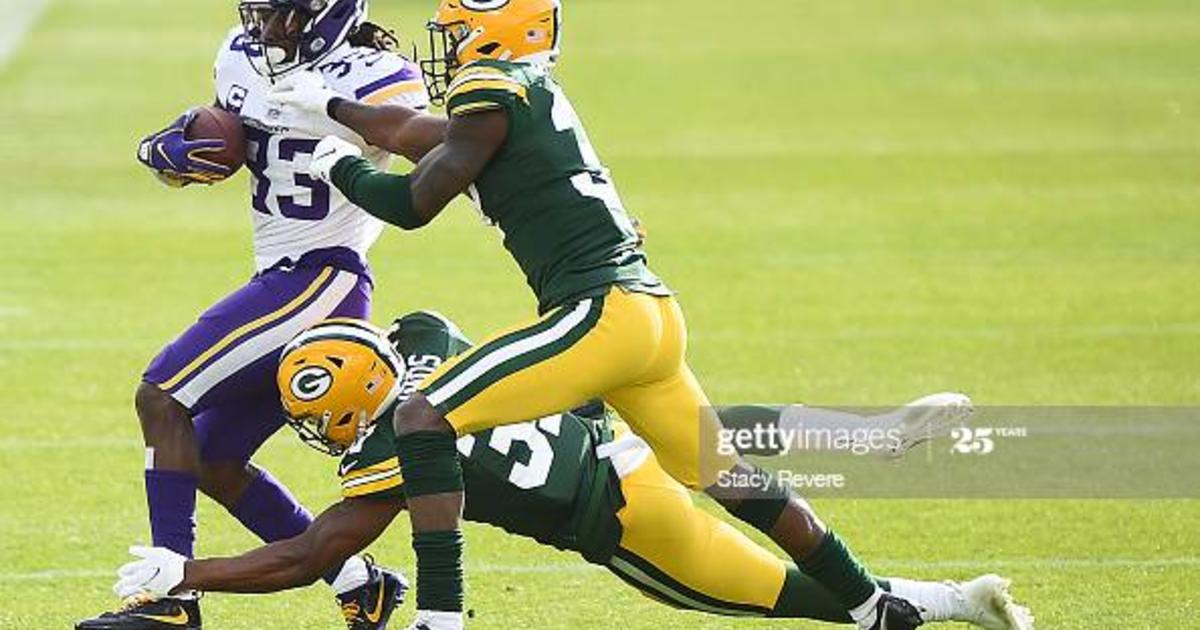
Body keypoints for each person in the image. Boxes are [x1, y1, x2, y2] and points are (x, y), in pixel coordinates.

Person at [265, 0, 962, 627]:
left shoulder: (492, 86)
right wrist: (330, 107)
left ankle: (440, 620)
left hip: (598, 312)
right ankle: (873, 605)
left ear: (497, 29)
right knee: (727, 474)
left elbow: (414, 203)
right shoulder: (523, 97)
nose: (447, 43)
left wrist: (338, 164)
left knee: (422, 418)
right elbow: (417, 130)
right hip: (649, 312)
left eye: (457, 29)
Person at [113, 314, 1033, 630]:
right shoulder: (432, 348)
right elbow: (421, 327)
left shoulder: (388, 456)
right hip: (616, 441)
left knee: (802, 599)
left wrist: (184, 571)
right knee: (716, 443)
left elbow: (312, 555)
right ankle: (863, 436)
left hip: (624, 525)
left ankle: (950, 600)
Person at [76, 2, 427, 628]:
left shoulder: (375, 72)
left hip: (323, 275)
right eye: (258, 12)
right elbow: (229, 138)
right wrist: (185, 151)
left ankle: (171, 599)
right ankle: (359, 583)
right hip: (280, 275)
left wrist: (336, 109)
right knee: (210, 457)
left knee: (162, 396)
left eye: (281, 15)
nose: (264, 29)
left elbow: (416, 140)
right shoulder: (239, 55)